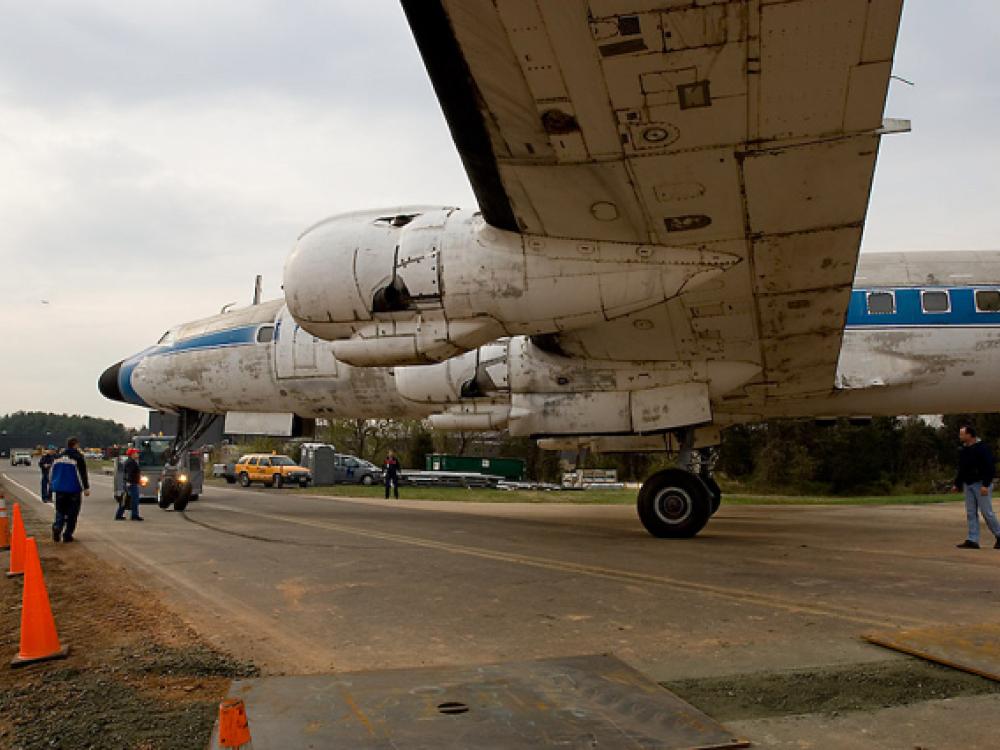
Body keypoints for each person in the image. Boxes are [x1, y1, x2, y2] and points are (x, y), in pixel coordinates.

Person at [951, 424, 1000, 549]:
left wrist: (986, 484)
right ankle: (973, 539)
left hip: (981, 484)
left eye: (962, 434)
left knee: (987, 512)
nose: (960, 436)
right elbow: (962, 469)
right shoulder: (964, 449)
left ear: (969, 435)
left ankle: (999, 534)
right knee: (971, 512)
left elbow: (990, 467)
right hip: (968, 485)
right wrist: (957, 484)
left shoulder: (982, 448)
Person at [49, 437, 90, 543]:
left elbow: (52, 473)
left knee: (60, 511)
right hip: (73, 489)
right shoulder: (78, 457)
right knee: (72, 513)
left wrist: (53, 485)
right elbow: (82, 474)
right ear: (76, 445)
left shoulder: (58, 457)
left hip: (60, 489)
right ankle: (67, 535)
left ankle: (57, 527)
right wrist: (86, 488)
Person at [115, 448, 144, 521]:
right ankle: (134, 515)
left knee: (126, 499)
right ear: (132, 454)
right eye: (136, 453)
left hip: (130, 483)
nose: (137, 454)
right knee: (134, 500)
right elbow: (129, 473)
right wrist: (128, 482)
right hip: (131, 483)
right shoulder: (131, 462)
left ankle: (119, 515)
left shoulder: (130, 461)